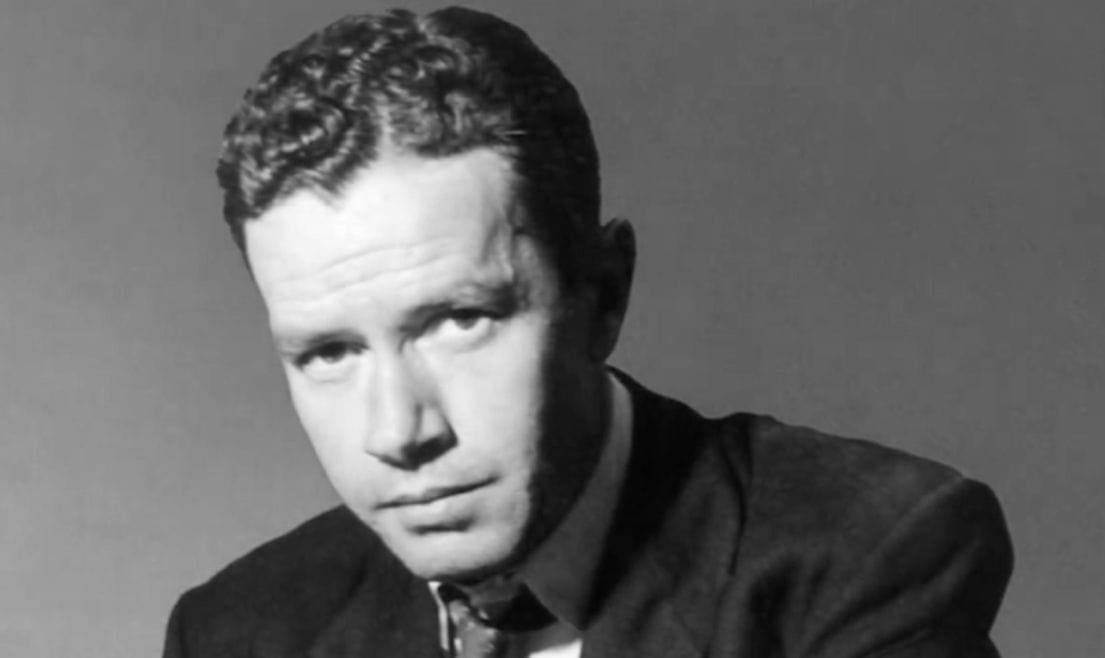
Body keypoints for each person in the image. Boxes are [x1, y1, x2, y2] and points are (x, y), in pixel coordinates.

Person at [163, 7, 1013, 657]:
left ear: (603, 296)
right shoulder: (237, 632)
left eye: (459, 320)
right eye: (329, 352)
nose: (397, 431)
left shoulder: (871, 553)